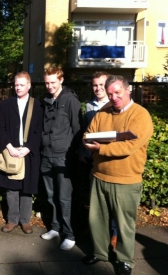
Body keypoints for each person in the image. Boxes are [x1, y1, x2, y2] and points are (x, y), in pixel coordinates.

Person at [82, 75, 153, 275]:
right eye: (110, 93)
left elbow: (130, 146)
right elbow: (88, 134)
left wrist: (100, 148)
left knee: (124, 224)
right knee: (97, 220)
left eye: (117, 93)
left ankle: (124, 260)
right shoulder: (102, 113)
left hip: (126, 180)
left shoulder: (140, 115)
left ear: (128, 90)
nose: (113, 97)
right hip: (99, 176)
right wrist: (88, 142)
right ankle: (100, 252)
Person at [0, 71, 43, 234]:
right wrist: (8, 146)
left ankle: (25, 220)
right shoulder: (6, 104)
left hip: (29, 152)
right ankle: (12, 220)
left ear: (29, 86)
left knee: (26, 187)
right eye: (16, 84)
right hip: (11, 151)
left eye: (22, 85)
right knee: (11, 187)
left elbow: (39, 129)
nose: (18, 88)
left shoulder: (37, 105)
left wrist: (28, 147)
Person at [40, 66, 82, 250]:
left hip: (63, 157)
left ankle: (69, 234)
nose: (49, 86)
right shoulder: (47, 100)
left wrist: (73, 154)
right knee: (51, 196)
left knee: (65, 197)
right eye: (47, 83)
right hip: (46, 155)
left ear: (61, 80)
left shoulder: (70, 100)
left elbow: (77, 129)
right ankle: (56, 227)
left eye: (53, 82)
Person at [79, 71, 118, 249]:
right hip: (91, 158)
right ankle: (96, 230)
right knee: (94, 198)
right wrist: (83, 152)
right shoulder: (89, 106)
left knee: (111, 200)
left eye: (101, 85)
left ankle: (114, 234)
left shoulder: (114, 106)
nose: (97, 88)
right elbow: (85, 132)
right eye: (95, 85)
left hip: (108, 158)